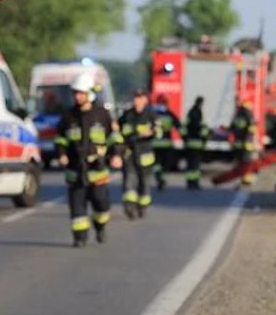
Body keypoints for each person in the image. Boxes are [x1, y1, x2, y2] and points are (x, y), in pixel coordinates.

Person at [54, 73, 124, 247]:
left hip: (97, 171)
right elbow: (60, 138)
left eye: (81, 93)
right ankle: (80, 237)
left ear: (89, 94)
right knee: (77, 209)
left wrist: (116, 155)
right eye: (75, 93)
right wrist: (61, 154)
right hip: (75, 171)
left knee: (101, 206)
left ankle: (100, 226)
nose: (77, 97)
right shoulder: (68, 116)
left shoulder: (102, 115)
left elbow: (114, 138)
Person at [118, 89, 159, 219]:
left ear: (145, 100)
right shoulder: (127, 115)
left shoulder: (151, 115)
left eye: (140, 98)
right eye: (136, 97)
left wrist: (152, 132)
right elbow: (118, 131)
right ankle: (129, 206)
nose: (137, 100)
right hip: (130, 153)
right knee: (129, 181)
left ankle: (142, 206)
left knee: (145, 184)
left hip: (145, 154)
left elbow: (159, 131)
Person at [151, 94, 182, 190]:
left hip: (154, 143)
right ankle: (161, 177)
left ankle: (159, 177)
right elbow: (179, 127)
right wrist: (185, 138)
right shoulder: (169, 114)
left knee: (156, 163)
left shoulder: (151, 113)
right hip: (166, 144)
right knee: (165, 164)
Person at [181, 96, 209, 189]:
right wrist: (205, 139)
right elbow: (203, 129)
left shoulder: (190, 112)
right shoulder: (199, 113)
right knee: (196, 165)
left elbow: (185, 127)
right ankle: (195, 183)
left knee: (190, 164)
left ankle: (189, 182)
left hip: (189, 142)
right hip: (197, 143)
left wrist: (184, 139)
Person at [229, 96, 258, 186]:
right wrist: (250, 140)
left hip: (239, 143)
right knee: (246, 161)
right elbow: (252, 128)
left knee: (240, 161)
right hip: (246, 144)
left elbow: (232, 127)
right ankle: (246, 179)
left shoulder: (238, 114)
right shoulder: (248, 114)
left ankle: (241, 178)